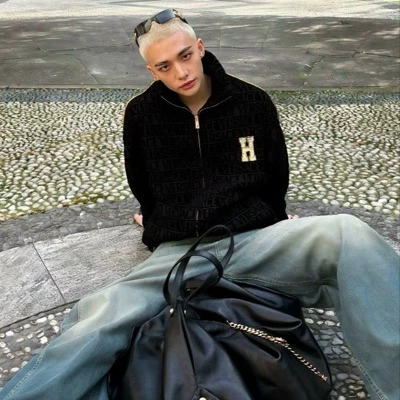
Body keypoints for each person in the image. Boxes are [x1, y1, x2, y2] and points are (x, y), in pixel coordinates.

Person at [1, 9, 399, 400]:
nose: (181, 72)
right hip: (181, 254)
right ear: (152, 71)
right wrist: (156, 223)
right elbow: (143, 184)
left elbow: (276, 176)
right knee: (97, 321)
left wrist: (279, 223)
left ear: (201, 48)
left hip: (255, 241)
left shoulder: (253, 102)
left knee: (350, 233)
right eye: (164, 66)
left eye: (186, 55)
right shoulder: (140, 115)